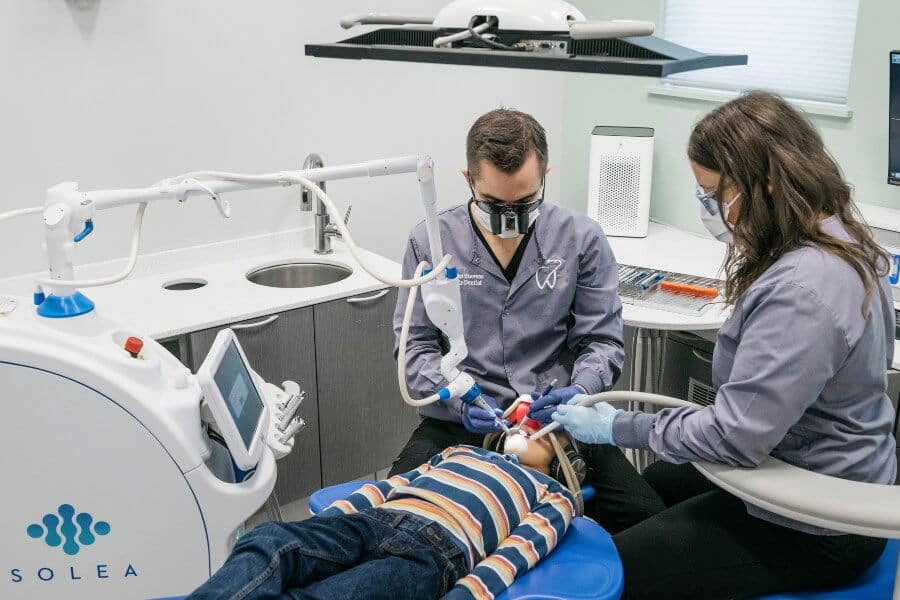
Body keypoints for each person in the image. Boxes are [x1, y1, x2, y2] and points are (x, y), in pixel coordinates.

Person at [551, 91, 897, 599]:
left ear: (769, 182)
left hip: (821, 519)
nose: (709, 208)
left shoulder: (804, 290)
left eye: (714, 193)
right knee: (661, 487)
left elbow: (735, 436)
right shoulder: (827, 234)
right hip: (804, 458)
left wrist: (617, 427)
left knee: (617, 570)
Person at [390, 108, 637, 521]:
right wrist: (454, 397)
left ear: (545, 175)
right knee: (396, 518)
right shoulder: (431, 242)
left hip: (555, 422)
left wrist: (579, 391)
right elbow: (413, 351)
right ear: (468, 180)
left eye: (525, 202)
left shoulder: (581, 240)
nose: (510, 220)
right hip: (461, 422)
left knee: (642, 520)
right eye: (493, 203)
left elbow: (602, 342)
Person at [186, 437, 577, 600]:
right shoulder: (462, 451)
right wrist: (322, 528)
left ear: (562, 462)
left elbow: (517, 551)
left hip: (437, 552)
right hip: (376, 520)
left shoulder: (551, 493)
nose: (528, 427)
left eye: (545, 435)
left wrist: (467, 593)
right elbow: (389, 486)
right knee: (269, 539)